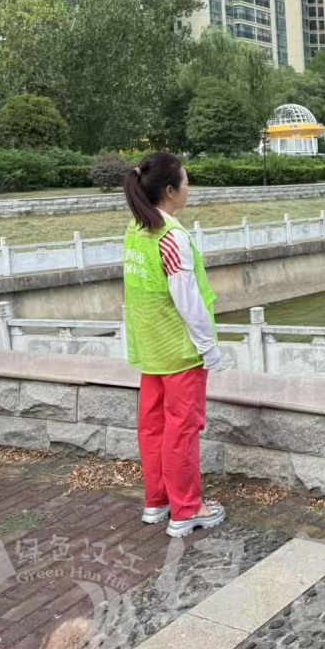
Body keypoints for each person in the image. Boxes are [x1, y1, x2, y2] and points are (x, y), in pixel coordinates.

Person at [123, 152, 227, 539]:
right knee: (182, 430)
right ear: (170, 191)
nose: (189, 187)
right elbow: (189, 300)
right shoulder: (171, 237)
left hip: (150, 349)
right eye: (185, 181)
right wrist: (209, 348)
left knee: (153, 427)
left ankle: (158, 501)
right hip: (179, 352)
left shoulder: (137, 229)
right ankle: (186, 509)